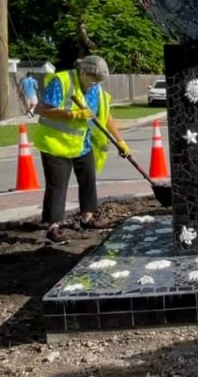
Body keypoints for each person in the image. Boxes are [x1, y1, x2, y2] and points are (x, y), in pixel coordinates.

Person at [32, 55, 129, 244]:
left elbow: (105, 115)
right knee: (57, 186)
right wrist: (73, 114)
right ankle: (53, 227)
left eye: (99, 81)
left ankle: (87, 218)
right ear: (82, 71)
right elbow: (44, 110)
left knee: (88, 181)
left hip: (82, 144)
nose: (95, 84)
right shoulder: (62, 81)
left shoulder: (97, 89)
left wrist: (120, 141)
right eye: (93, 79)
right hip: (56, 144)